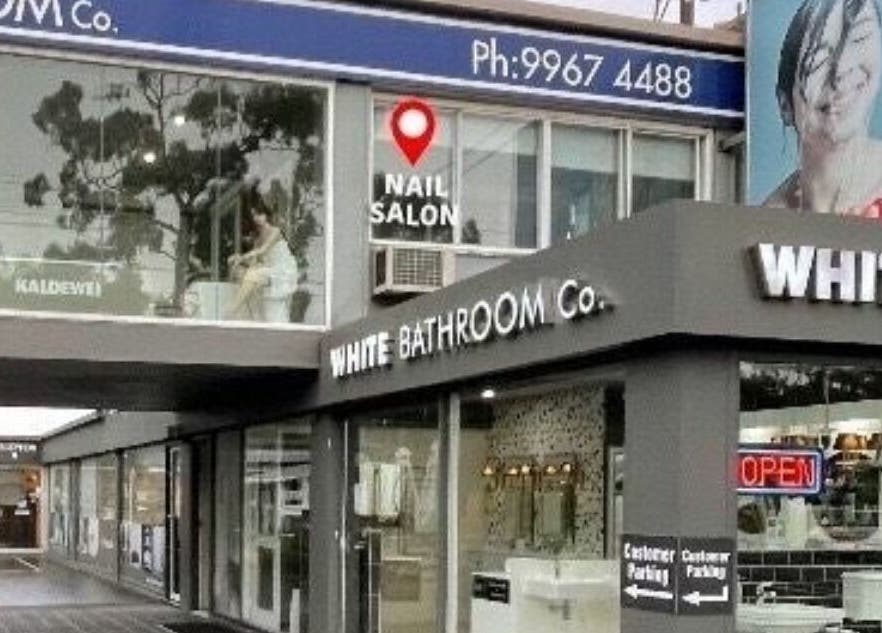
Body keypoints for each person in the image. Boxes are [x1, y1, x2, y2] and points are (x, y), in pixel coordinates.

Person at [764, 0, 882, 217]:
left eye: (859, 38)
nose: (841, 69)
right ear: (785, 104)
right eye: (819, 58)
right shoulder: (770, 220)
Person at [226, 202, 298, 321]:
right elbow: (254, 262)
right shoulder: (258, 238)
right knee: (245, 272)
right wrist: (238, 259)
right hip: (270, 270)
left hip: (283, 270)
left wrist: (242, 257)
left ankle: (232, 309)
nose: (256, 218)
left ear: (266, 215)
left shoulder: (275, 231)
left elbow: (262, 250)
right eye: (253, 215)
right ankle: (238, 309)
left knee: (254, 274)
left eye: (259, 214)